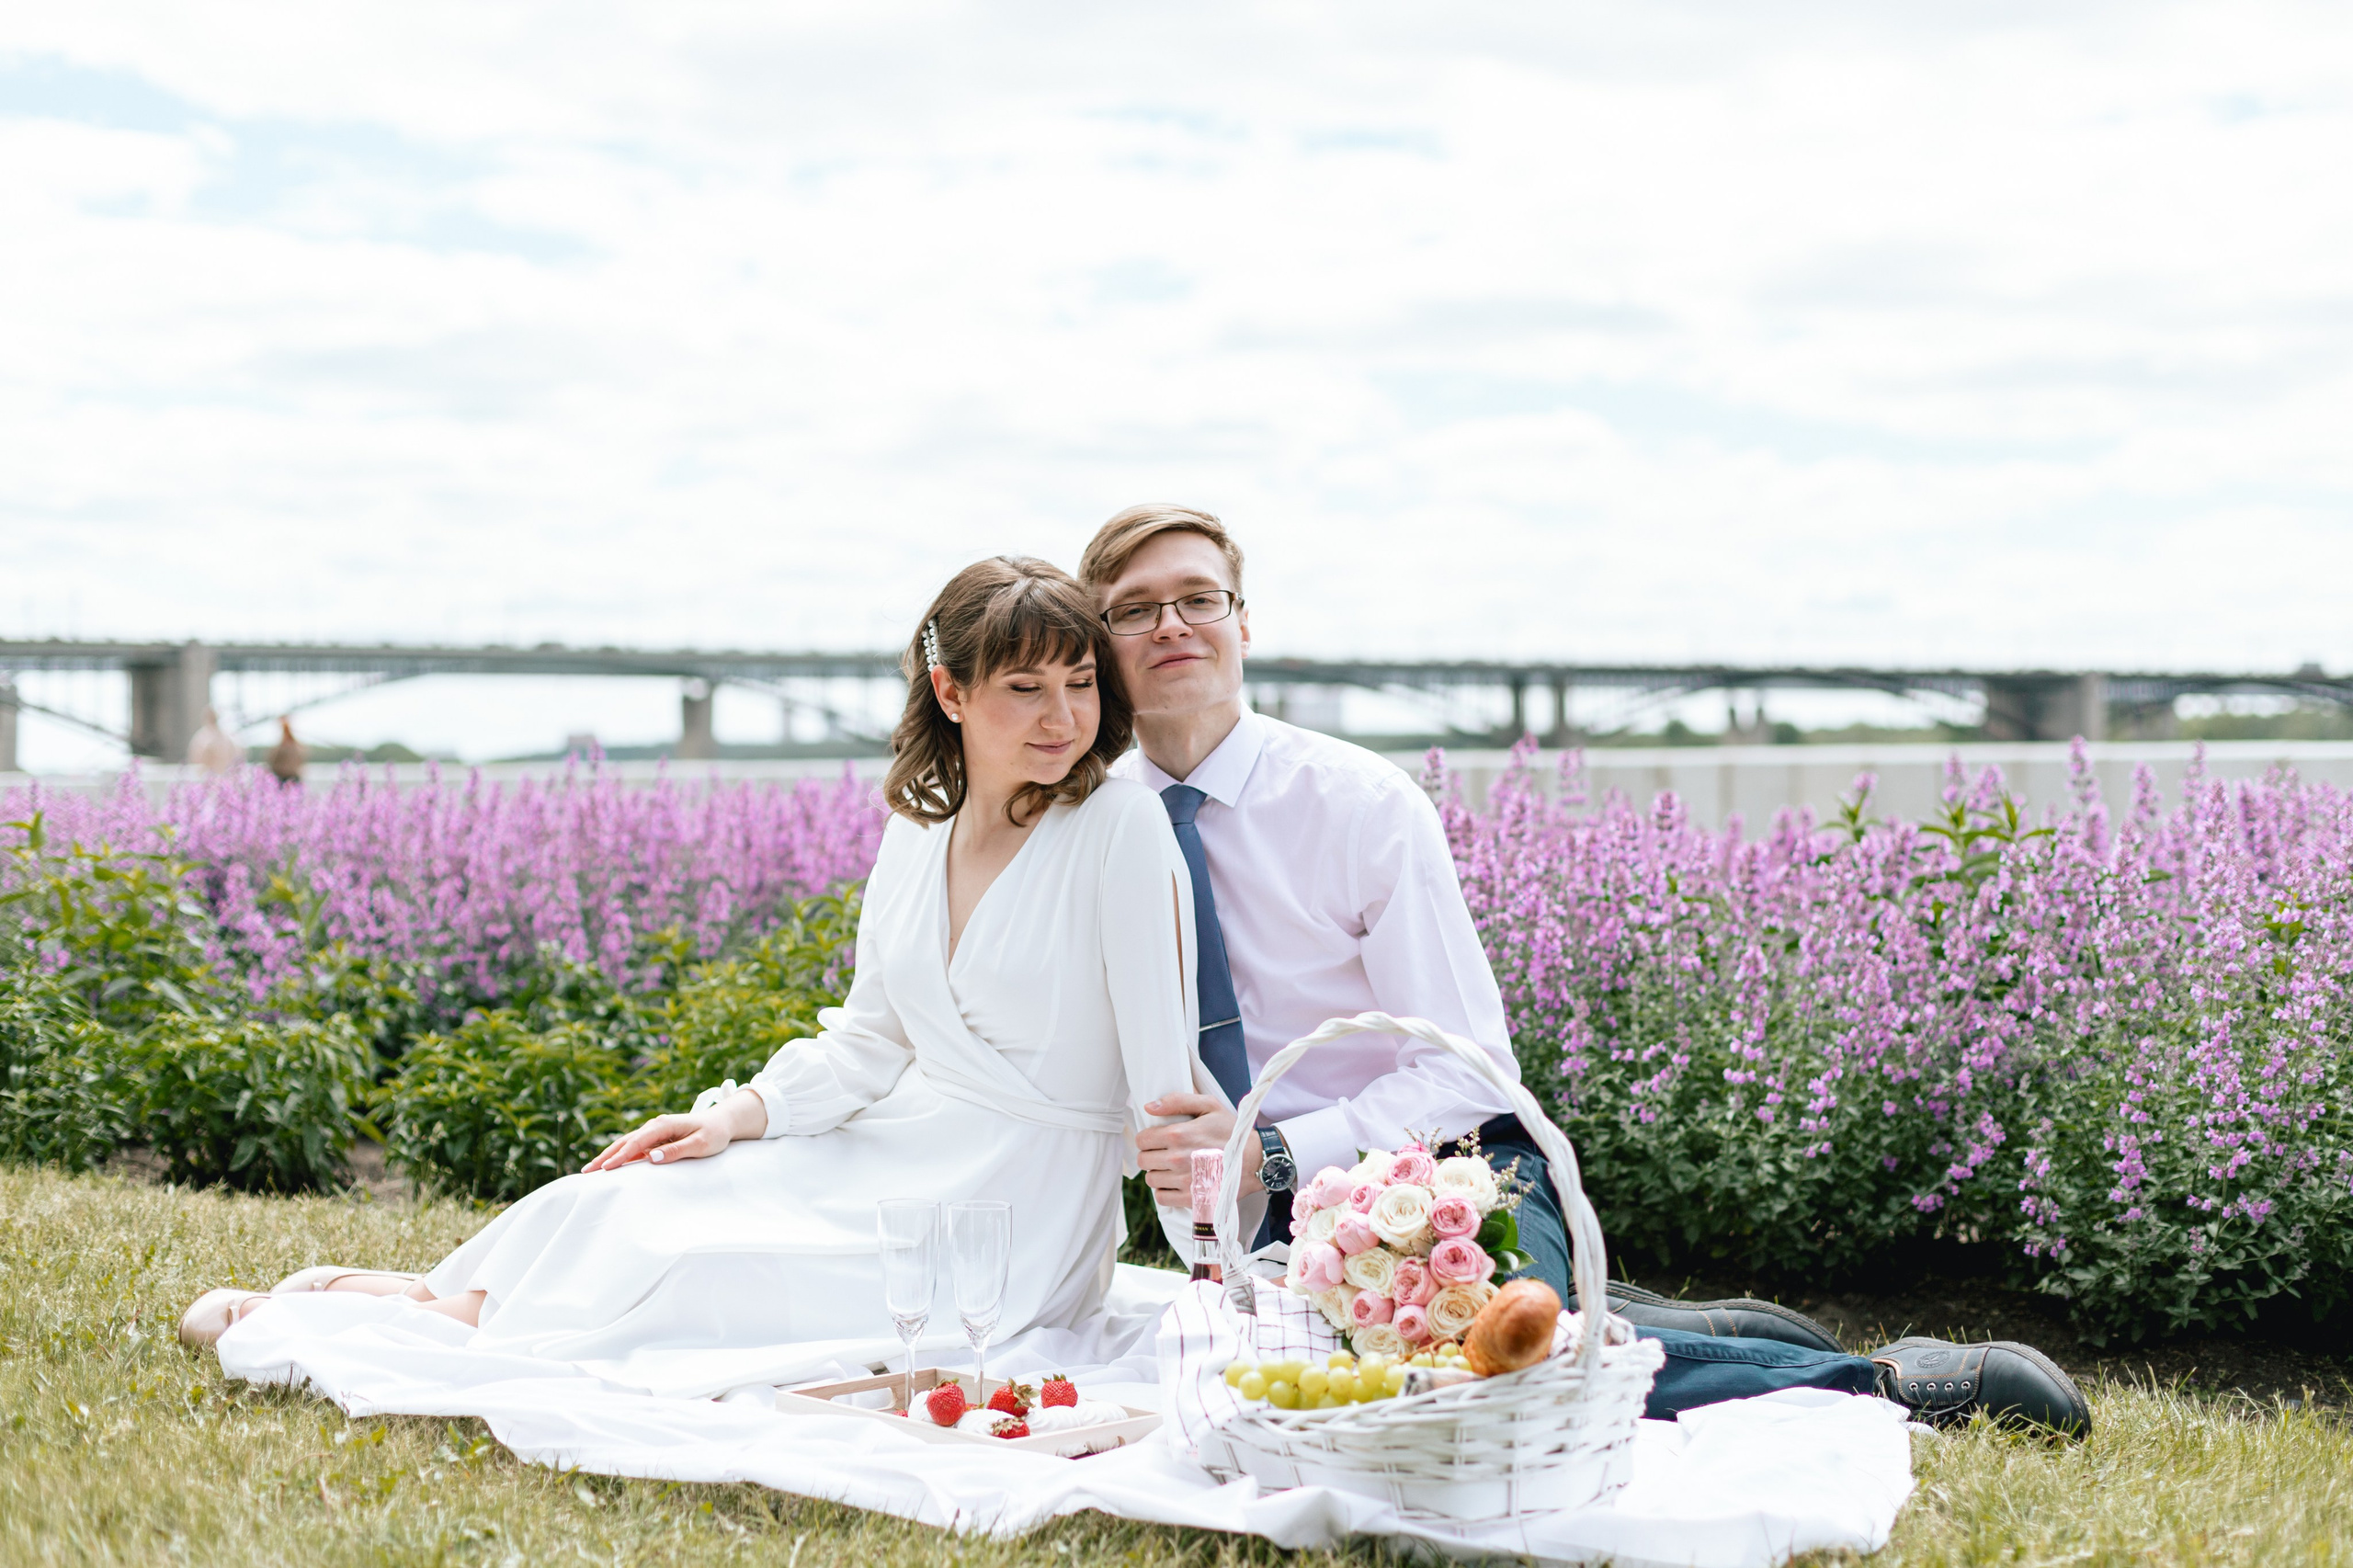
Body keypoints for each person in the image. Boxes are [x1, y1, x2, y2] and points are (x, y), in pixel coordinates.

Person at [1082, 504, 2088, 1437]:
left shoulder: (1360, 805)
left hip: (1457, 1168)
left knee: (1506, 1377)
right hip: (1267, 1233)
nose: (1172, 623)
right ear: (1101, 648)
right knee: (1383, 1394)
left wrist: (1279, 1152)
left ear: (1243, 624)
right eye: (1135, 609)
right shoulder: (1088, 833)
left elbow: (1470, 1068)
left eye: (1198, 597)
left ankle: (1886, 1383)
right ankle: (1657, 1319)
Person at [181, 556, 1211, 1381]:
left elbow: (1164, 1083)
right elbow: (867, 1038)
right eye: (1024, 688)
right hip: (895, 1147)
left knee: (708, 1263)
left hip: (1010, 1211)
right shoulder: (915, 828)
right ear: (950, 689)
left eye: (1079, 684)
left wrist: (1215, 1270)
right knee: (636, 1193)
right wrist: (735, 1113)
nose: (1062, 718)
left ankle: (418, 1318)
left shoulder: (1114, 823)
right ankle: (432, 1304)